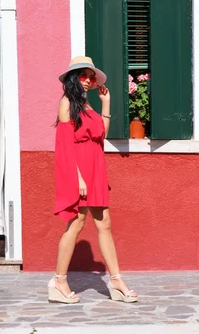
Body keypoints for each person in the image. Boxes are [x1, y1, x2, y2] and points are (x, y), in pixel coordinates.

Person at [47, 56, 138, 304]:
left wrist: (106, 103)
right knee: (76, 223)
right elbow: (65, 147)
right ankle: (59, 280)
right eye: (83, 76)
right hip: (78, 171)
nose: (88, 81)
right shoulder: (66, 103)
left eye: (91, 77)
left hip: (96, 168)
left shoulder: (87, 105)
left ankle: (117, 280)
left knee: (104, 223)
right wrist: (78, 179)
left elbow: (101, 136)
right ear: (72, 79)